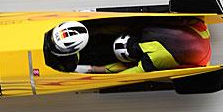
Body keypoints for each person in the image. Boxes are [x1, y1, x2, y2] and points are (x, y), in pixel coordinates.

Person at [76, 18, 211, 74]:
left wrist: (95, 69)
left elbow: (129, 74)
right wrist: (96, 70)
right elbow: (129, 73)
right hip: (199, 33)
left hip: (201, 60)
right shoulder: (147, 31)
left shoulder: (152, 59)